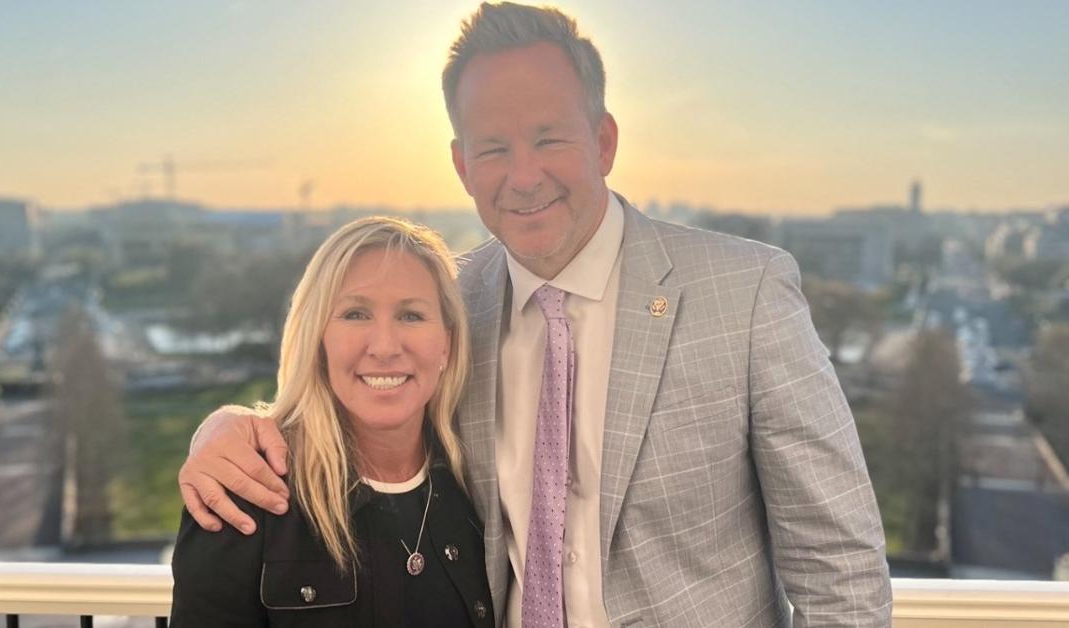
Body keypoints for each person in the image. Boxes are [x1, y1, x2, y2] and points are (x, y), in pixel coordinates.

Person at [178, 3, 892, 626]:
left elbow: (838, 561)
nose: (523, 176)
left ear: (604, 140)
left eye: (549, 138)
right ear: (461, 166)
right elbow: (360, 401)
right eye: (494, 148)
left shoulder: (748, 291)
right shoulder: (454, 307)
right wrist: (229, 428)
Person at [170, 217, 494, 627]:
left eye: (411, 316)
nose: (385, 347)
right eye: (356, 314)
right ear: (317, 336)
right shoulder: (247, 489)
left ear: (446, 342)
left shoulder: (478, 484)